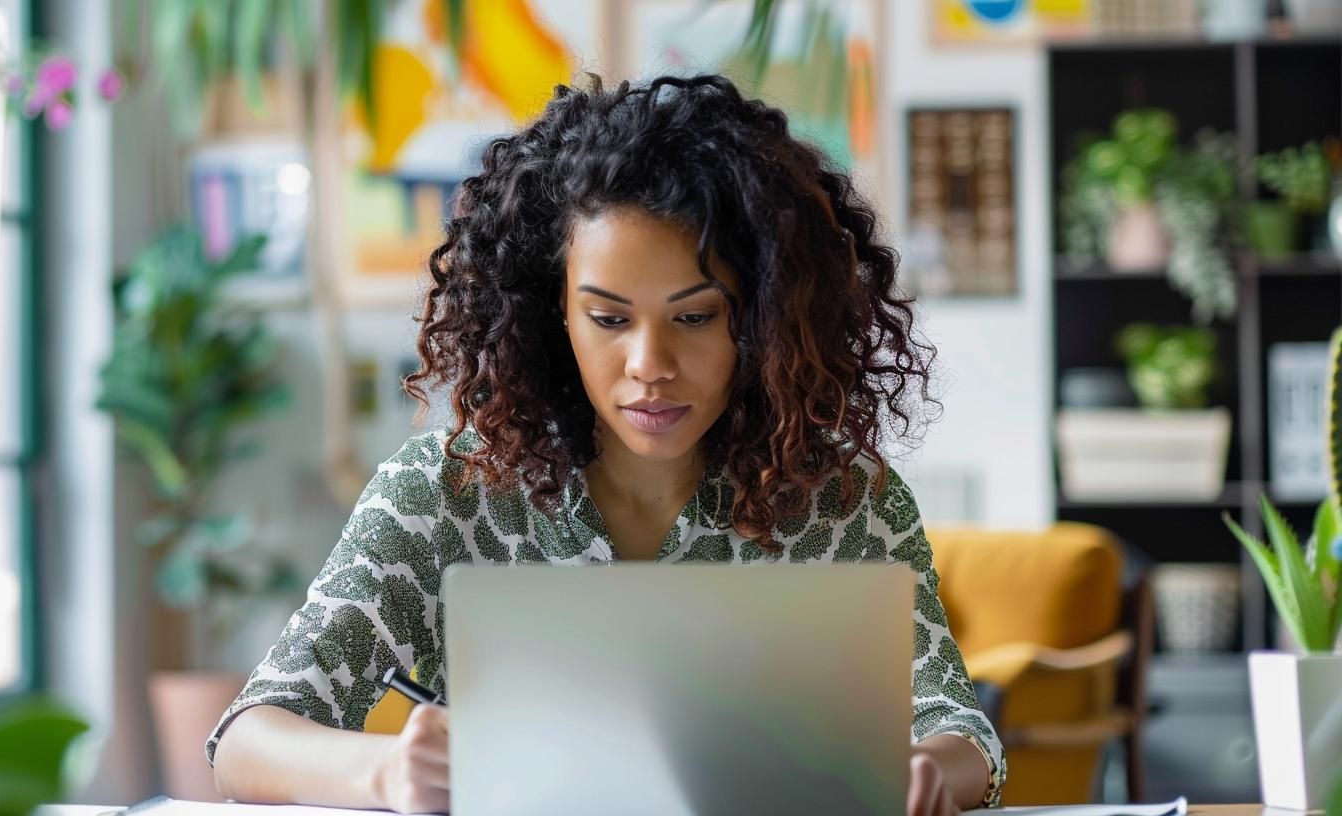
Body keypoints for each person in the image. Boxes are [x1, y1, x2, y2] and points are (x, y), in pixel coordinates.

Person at [207, 74, 1006, 815]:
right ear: (551, 311)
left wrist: (927, 766)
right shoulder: (444, 493)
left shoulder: (839, 499)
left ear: (760, 318)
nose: (650, 366)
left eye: (695, 317)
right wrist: (385, 772)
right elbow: (247, 738)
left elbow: (959, 728)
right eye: (608, 318)